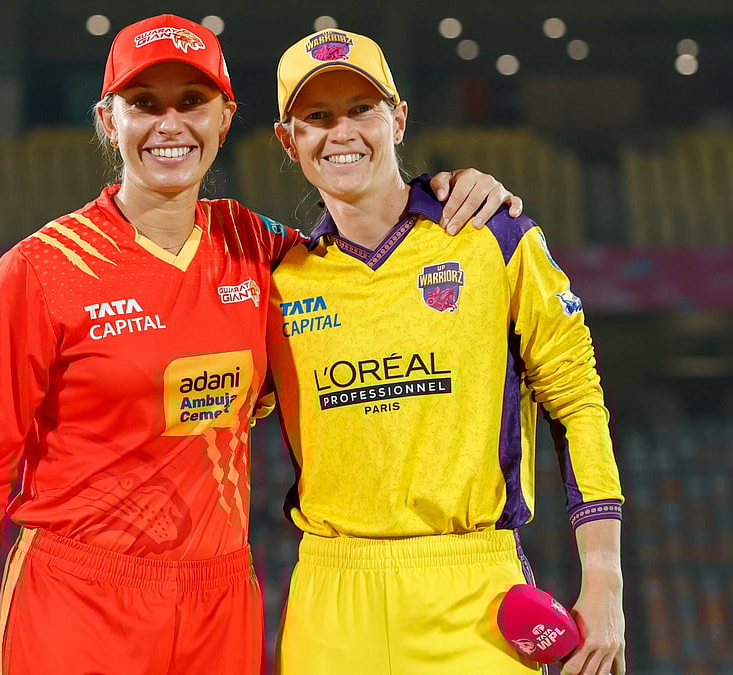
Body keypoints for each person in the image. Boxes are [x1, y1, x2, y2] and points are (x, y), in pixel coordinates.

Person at [0, 15, 523, 675]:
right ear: (108, 120)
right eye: (143, 104)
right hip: (77, 599)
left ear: (224, 117)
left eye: (192, 102)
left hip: (219, 603)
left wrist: (445, 197)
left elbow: (366, 262)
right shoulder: (40, 271)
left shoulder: (258, 247)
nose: (169, 124)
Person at [265, 28, 626, 675]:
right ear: (289, 142)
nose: (340, 132)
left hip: (472, 599)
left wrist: (604, 580)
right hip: (329, 601)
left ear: (398, 119)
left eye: (361, 109)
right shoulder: (279, 279)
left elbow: (577, 400)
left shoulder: (493, 232)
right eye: (317, 116)